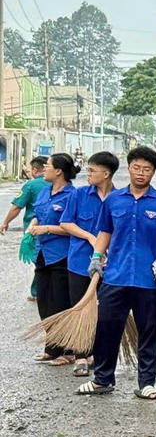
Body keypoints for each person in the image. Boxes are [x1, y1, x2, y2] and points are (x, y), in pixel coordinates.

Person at [76, 146, 156, 398]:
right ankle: (103, 380)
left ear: (153, 173)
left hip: (148, 281)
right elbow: (104, 232)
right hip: (115, 277)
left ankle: (147, 383)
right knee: (107, 329)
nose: (141, 173)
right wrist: (96, 257)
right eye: (136, 168)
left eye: (147, 169)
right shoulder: (113, 201)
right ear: (128, 168)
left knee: (148, 331)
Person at [59, 151, 119, 375]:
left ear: (106, 174)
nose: (88, 173)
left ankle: (100, 353)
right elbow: (66, 222)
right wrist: (91, 238)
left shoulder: (120, 197)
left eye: (92, 170)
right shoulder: (79, 194)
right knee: (80, 308)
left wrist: (108, 250)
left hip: (111, 265)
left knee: (106, 311)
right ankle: (81, 356)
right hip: (79, 261)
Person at [29, 153, 78, 365]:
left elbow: (74, 228)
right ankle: (52, 347)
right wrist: (33, 224)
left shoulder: (72, 196)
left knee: (60, 303)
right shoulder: (44, 192)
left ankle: (67, 351)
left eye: (47, 165)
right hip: (42, 254)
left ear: (59, 171)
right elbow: (38, 213)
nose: (44, 169)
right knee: (44, 302)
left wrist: (47, 228)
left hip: (62, 255)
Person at [1, 155, 48, 301]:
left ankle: (39, 292)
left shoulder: (31, 185)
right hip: (54, 228)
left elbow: (16, 207)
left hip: (33, 230)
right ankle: (38, 291)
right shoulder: (56, 184)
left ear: (35, 169)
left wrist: (5, 223)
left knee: (38, 260)